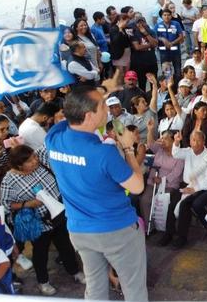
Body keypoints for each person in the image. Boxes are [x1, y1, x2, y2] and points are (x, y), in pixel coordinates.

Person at [44, 84, 147, 301]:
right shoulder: (104, 154)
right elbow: (137, 186)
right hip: (116, 230)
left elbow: (63, 120)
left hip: (80, 230)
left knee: (95, 288)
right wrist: (128, 148)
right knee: (134, 288)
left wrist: (96, 93)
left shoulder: (53, 139)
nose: (107, 110)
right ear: (90, 115)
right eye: (103, 105)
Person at [0, 145, 84, 295]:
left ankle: (75, 271)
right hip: (40, 224)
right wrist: (27, 204)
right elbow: (6, 205)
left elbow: (50, 144)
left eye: (34, 157)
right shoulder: (9, 180)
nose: (35, 161)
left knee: (66, 246)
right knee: (40, 253)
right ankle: (43, 282)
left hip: (60, 217)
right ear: (19, 165)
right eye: (30, 160)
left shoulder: (41, 164)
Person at [156, 8, 185, 82]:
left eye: (168, 15)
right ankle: (168, 87)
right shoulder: (158, 25)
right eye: (164, 15)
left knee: (178, 70)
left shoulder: (176, 24)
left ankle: (178, 87)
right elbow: (154, 36)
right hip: (163, 52)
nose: (166, 17)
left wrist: (172, 43)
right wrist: (162, 39)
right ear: (162, 16)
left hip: (175, 51)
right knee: (166, 71)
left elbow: (181, 36)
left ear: (171, 16)